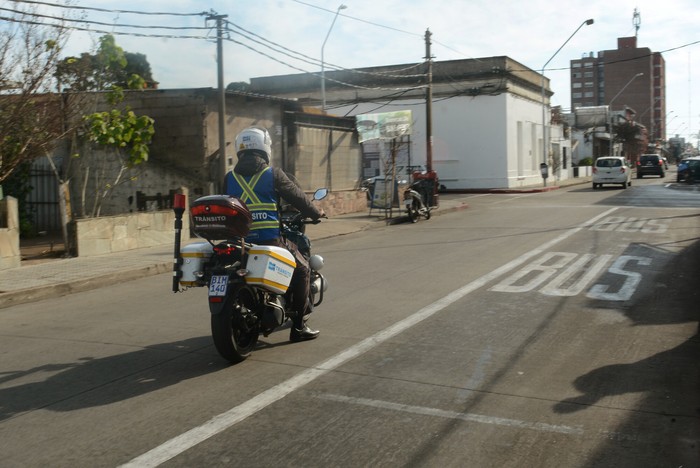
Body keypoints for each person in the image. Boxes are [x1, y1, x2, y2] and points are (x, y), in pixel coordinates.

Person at [224, 127, 324, 342]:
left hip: (239, 243)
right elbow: (299, 199)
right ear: (264, 148)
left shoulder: (229, 177)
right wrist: (317, 212)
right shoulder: (273, 174)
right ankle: (298, 326)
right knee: (303, 269)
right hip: (270, 241)